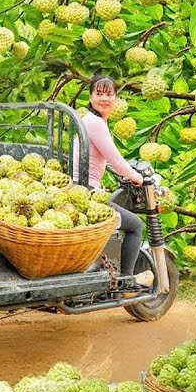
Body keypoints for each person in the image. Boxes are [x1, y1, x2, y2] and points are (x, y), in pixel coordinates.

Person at [81, 72, 148, 286]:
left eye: (109, 94)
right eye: (99, 93)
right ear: (90, 96)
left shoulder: (89, 119)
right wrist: (137, 177)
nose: (104, 98)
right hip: (88, 193)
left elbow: (104, 158)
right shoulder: (96, 123)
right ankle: (126, 281)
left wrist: (121, 171)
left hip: (82, 188)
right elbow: (117, 161)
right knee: (135, 225)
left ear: (116, 98)